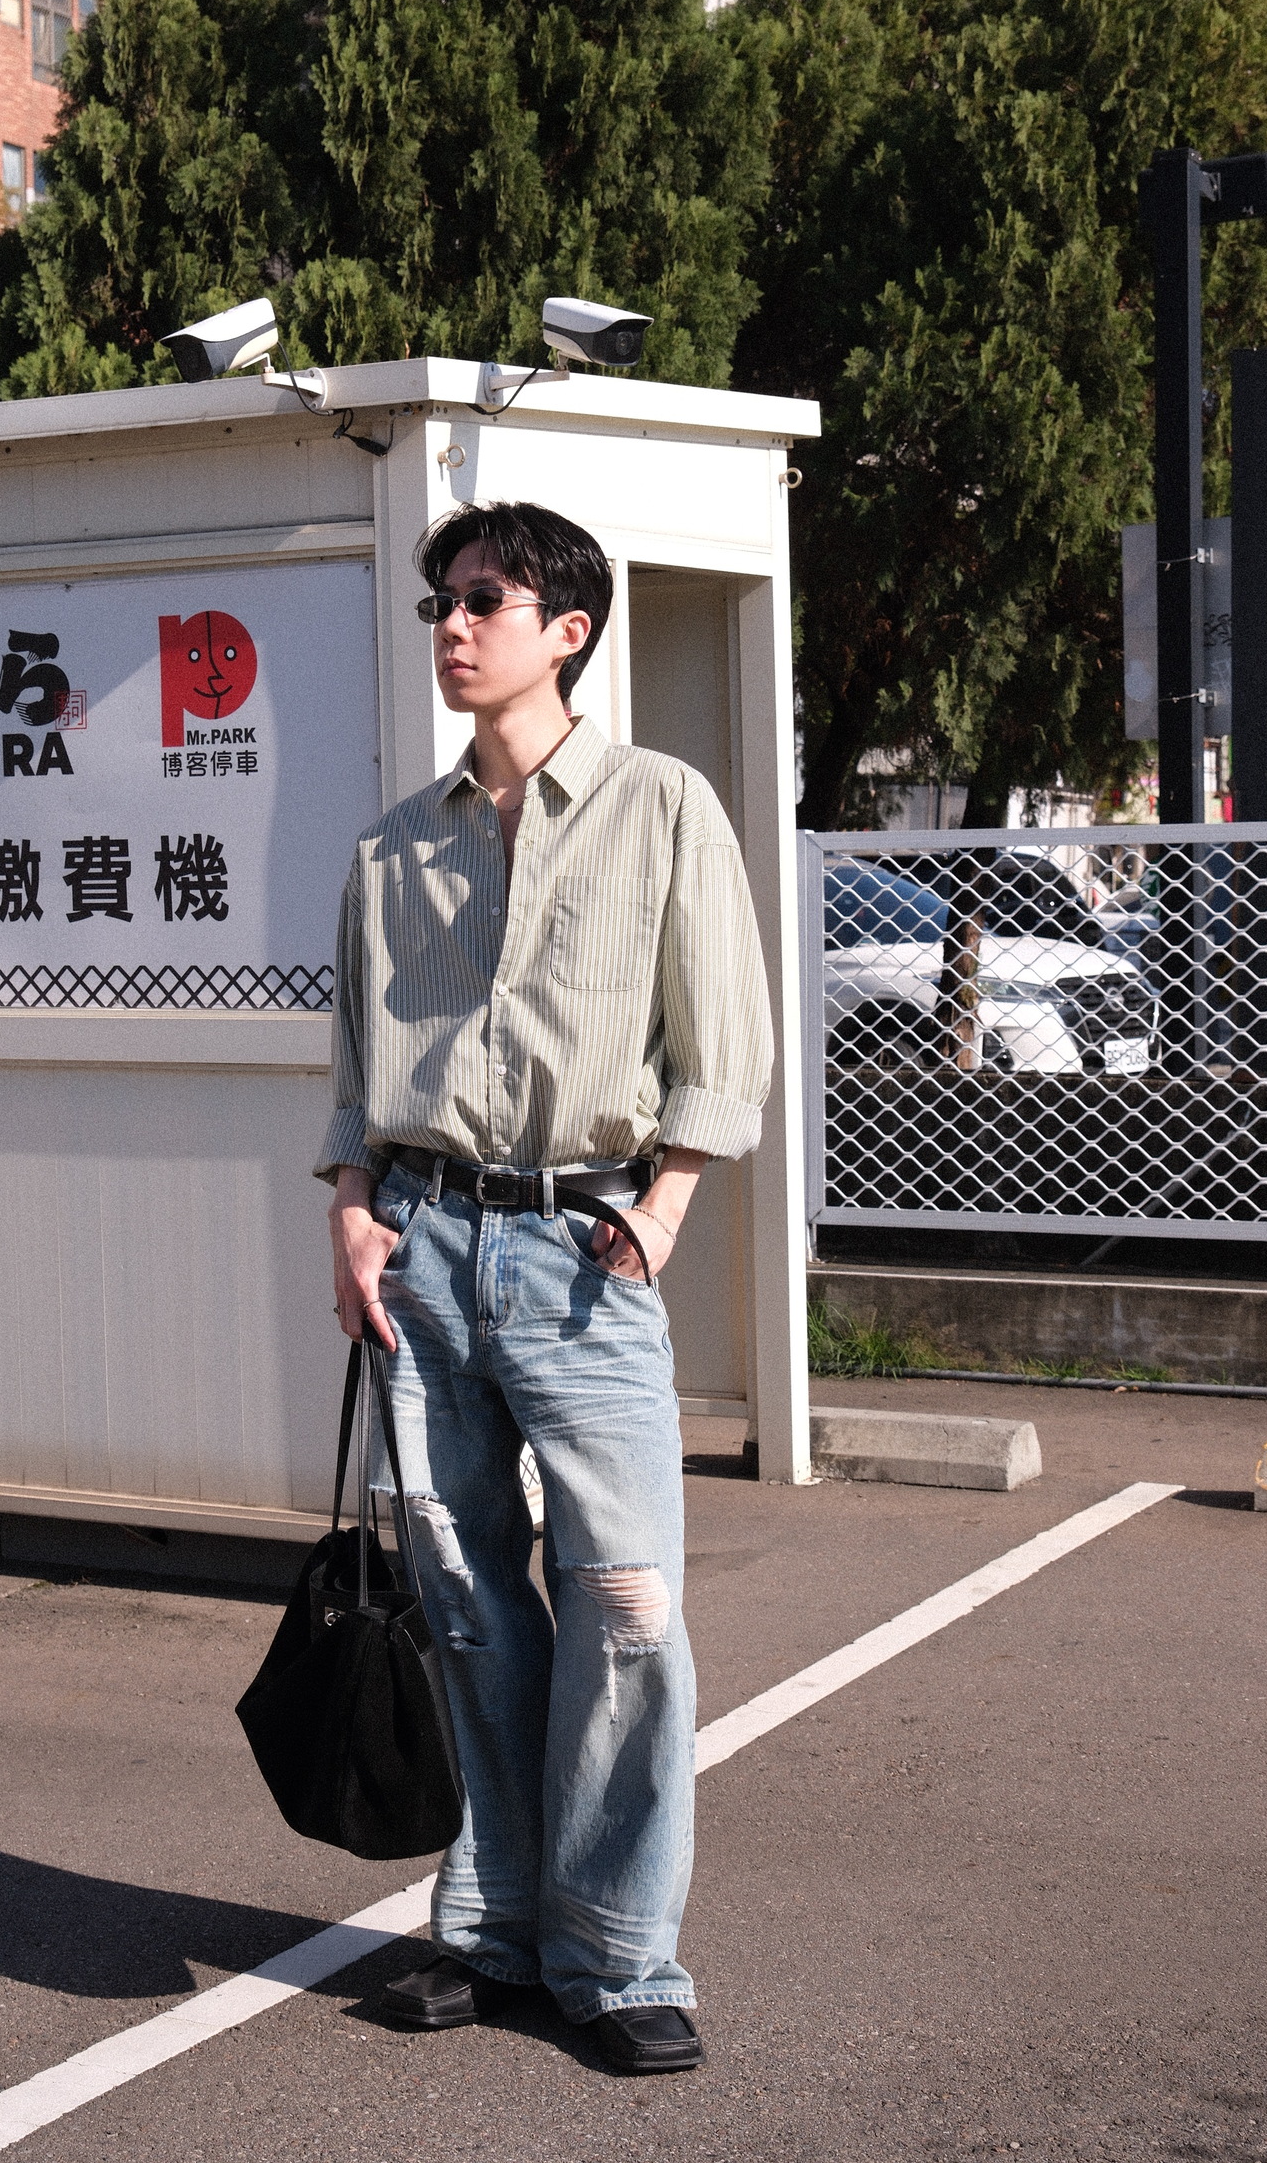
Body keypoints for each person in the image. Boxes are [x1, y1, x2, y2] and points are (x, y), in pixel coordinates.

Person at [315, 499, 772, 2076]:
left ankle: (621, 1955)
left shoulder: (662, 806)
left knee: (627, 1606)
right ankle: (495, 1926)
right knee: (463, 1602)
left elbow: (724, 1042)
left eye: (485, 600)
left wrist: (664, 1209)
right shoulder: (395, 844)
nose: (453, 625)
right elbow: (355, 1066)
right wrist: (352, 1212)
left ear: (567, 630)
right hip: (422, 1248)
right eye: (442, 601)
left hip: (584, 1252)